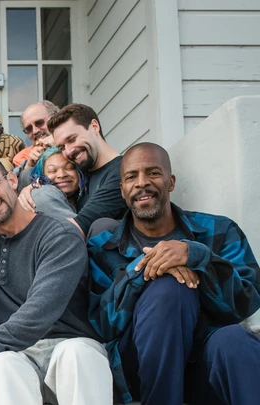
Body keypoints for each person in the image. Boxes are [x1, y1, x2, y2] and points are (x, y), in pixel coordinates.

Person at [87, 143, 260, 405]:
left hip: (204, 360)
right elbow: (101, 325)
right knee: (169, 288)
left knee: (235, 340)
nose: (142, 183)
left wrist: (198, 257)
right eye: (131, 177)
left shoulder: (219, 230)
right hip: (140, 366)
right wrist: (144, 270)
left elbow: (246, 302)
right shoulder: (102, 246)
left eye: (153, 173)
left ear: (171, 182)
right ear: (122, 189)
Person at [0, 155, 112, 405]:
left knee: (78, 353)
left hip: (68, 345)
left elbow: (39, 311)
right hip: (16, 355)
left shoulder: (59, 235)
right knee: (0, 362)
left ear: (12, 180)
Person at [18, 103, 127, 237]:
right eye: (62, 147)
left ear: (94, 126)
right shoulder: (83, 172)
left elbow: (78, 227)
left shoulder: (124, 171)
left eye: (72, 139)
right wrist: (30, 189)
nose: (69, 151)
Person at [26, 146, 87, 219]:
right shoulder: (42, 197)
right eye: (52, 170)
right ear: (41, 176)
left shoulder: (93, 191)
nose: (62, 175)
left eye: (69, 168)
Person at [12, 101, 59, 168]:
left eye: (39, 123)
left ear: (55, 118)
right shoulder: (22, 157)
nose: (35, 131)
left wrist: (59, 147)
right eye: (29, 129)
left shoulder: (72, 142)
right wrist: (29, 166)